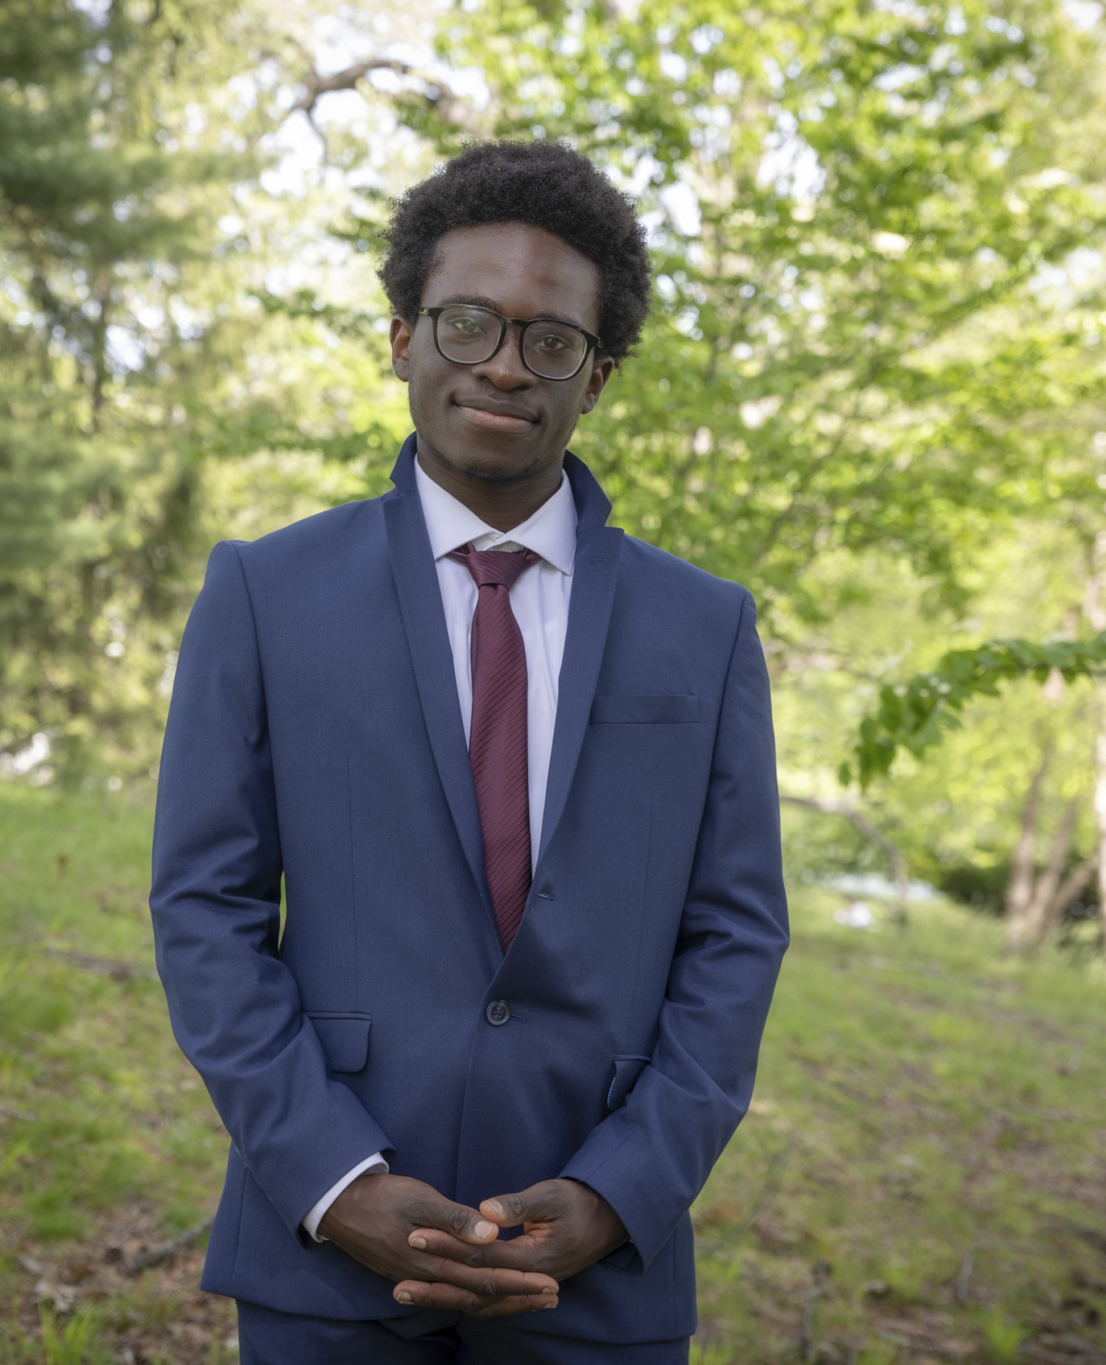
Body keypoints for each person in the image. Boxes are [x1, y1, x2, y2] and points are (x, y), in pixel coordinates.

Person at [150, 139, 789, 1364]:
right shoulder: (264, 594)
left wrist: (622, 1189)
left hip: (598, 1281)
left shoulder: (705, 629)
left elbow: (735, 936)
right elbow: (204, 910)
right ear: (403, 339)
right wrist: (333, 1178)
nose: (503, 362)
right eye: (465, 323)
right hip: (325, 1263)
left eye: (549, 340)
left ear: (595, 378)